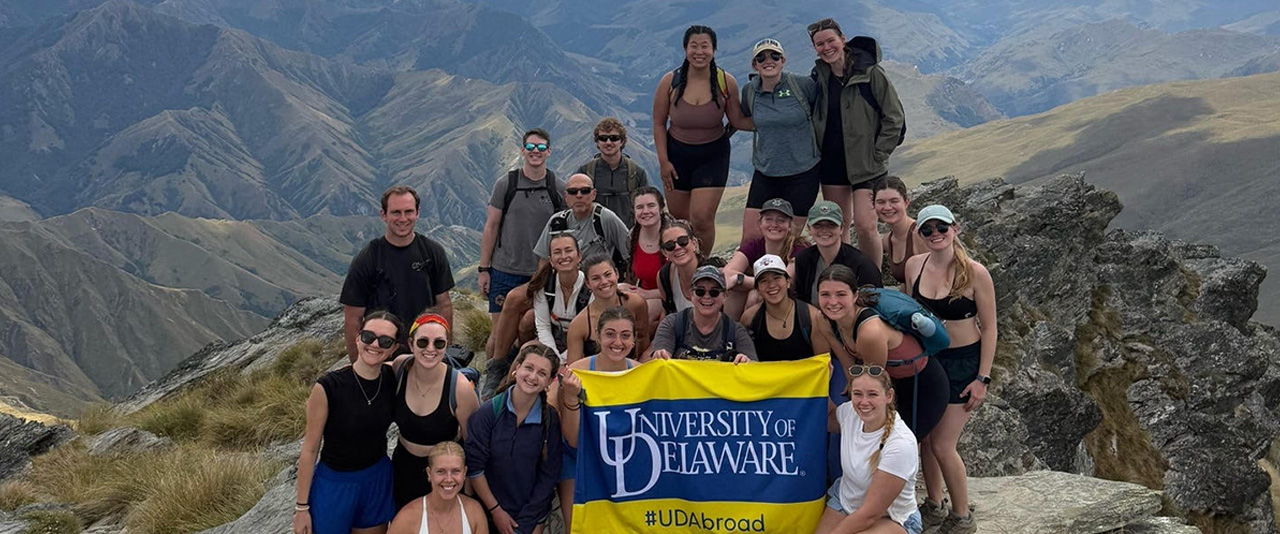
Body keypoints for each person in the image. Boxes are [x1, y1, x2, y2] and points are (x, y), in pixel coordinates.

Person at [903, 205, 996, 534]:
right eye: (927, 230)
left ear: (955, 228)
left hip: (963, 363)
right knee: (926, 439)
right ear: (920, 235)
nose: (935, 234)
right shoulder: (915, 266)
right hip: (928, 360)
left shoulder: (974, 272)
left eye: (941, 227)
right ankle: (935, 504)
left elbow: (991, 327)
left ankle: (962, 516)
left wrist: (982, 379)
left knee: (943, 444)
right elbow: (908, 311)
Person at [295, 311, 402, 534]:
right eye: (368, 336)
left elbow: (422, 363)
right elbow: (310, 449)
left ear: (393, 348)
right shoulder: (328, 387)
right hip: (335, 483)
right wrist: (301, 508)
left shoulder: (393, 377)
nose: (375, 344)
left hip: (377, 479)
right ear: (357, 338)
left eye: (385, 341)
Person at [808, 18, 904, 262]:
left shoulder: (871, 73)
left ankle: (872, 282)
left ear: (843, 39)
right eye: (820, 44)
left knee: (865, 225)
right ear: (815, 48)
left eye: (831, 40)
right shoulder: (819, 77)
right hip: (831, 162)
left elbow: (894, 117)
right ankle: (845, 279)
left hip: (867, 165)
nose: (826, 47)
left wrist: (879, 154)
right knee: (838, 227)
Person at [816, 265, 948, 441]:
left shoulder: (870, 332)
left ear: (855, 296)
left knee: (897, 447)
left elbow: (870, 384)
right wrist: (830, 336)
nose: (832, 302)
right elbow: (854, 373)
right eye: (825, 294)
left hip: (923, 386)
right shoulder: (830, 320)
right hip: (893, 383)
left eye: (841, 294)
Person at [478, 129, 565, 394]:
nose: (535, 152)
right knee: (498, 335)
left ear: (549, 151)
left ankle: (514, 379)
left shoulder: (556, 186)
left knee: (528, 325)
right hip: (504, 269)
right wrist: (484, 269)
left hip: (539, 274)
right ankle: (493, 379)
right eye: (530, 146)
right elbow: (491, 226)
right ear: (521, 149)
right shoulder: (507, 183)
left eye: (541, 147)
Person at [652, 25, 752, 256]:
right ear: (685, 49)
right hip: (676, 155)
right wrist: (663, 162)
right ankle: (680, 265)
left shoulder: (726, 82)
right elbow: (658, 123)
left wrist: (773, 121)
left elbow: (736, 120)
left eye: (705, 46)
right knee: (679, 222)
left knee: (702, 219)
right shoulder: (670, 82)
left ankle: (703, 265)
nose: (699, 51)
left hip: (713, 156)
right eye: (693, 46)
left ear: (714, 50)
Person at [342, 186, 454, 361]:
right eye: (396, 212)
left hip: (423, 351)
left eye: (409, 212)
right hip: (381, 352)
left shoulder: (433, 252)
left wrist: (443, 347)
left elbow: (444, 304)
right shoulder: (368, 258)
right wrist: (358, 368)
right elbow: (352, 318)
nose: (403, 219)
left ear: (418, 213)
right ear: (383, 215)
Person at [554, 306, 642, 530]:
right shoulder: (578, 373)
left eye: (625, 336)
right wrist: (572, 398)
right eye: (610, 334)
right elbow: (573, 440)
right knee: (579, 526)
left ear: (633, 340)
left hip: (625, 459)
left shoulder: (643, 374)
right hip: (581, 458)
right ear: (598, 336)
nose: (618, 342)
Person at [465, 344, 562, 534]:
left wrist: (525, 522)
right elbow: (475, 468)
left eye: (542, 373)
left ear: (550, 381)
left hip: (529, 516)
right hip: (487, 511)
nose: (533, 377)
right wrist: (496, 511)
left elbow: (549, 475)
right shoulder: (488, 413)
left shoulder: (550, 421)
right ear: (516, 368)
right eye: (528, 368)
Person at [814, 364, 923, 534]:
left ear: (889, 396)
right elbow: (828, 419)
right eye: (857, 394)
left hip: (890, 517)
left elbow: (870, 514)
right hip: (846, 500)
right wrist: (821, 384)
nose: (864, 402)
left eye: (872, 394)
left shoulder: (900, 444)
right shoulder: (851, 412)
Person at [389, 314, 480, 510]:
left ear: (447, 345)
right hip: (404, 468)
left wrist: (470, 494)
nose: (430, 349)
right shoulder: (400, 367)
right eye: (423, 342)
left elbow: (473, 443)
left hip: (444, 474)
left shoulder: (460, 388)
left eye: (439, 343)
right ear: (411, 344)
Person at [739, 38, 821, 244]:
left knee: (787, 239)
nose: (769, 60)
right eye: (761, 57)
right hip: (766, 173)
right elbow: (746, 117)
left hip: (803, 173)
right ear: (754, 64)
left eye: (774, 56)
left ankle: (783, 276)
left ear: (783, 60)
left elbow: (821, 112)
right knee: (751, 238)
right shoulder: (750, 91)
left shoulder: (802, 85)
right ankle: (752, 276)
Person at [648, 265, 756, 363]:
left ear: (725, 296)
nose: (707, 296)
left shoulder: (736, 332)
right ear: (691, 294)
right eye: (700, 291)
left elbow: (754, 369)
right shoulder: (672, 323)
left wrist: (746, 361)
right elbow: (659, 361)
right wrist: (660, 355)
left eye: (714, 292)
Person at [723, 198, 806, 320]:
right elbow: (727, 273)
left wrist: (742, 280)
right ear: (760, 224)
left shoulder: (799, 249)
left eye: (781, 220)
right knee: (736, 290)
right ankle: (729, 332)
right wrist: (751, 283)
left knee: (754, 296)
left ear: (789, 226)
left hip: (793, 299)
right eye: (768, 219)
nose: (774, 224)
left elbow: (784, 282)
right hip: (768, 292)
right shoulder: (754, 246)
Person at [739, 254, 830, 362]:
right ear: (758, 289)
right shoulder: (749, 318)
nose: (771, 285)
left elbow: (823, 364)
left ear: (787, 282)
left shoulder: (812, 318)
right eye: (764, 281)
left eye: (777, 278)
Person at [792, 200, 883, 306]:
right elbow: (801, 300)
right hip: (815, 320)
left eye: (831, 225)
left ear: (841, 229)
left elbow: (875, 305)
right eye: (818, 225)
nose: (824, 230)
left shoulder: (862, 265)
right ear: (809, 229)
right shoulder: (803, 259)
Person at [564, 255, 651, 364]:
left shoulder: (636, 303)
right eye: (596, 278)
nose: (604, 282)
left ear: (617, 274)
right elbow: (573, 367)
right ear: (588, 284)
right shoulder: (579, 324)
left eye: (607, 275)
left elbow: (643, 338)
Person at [387, 442, 488, 534]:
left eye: (456, 471)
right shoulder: (408, 517)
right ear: (429, 473)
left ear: (465, 473)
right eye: (441, 471)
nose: (449, 479)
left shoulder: (474, 511)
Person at [576, 118, 649, 227]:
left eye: (614, 138)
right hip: (594, 238)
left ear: (622, 141)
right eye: (603, 138)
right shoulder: (585, 172)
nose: (608, 142)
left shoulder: (637, 173)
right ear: (597, 142)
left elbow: (645, 208)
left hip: (628, 236)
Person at [528, 233, 586, 363]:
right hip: (552, 342)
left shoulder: (590, 285)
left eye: (569, 250)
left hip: (583, 346)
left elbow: (588, 330)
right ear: (551, 260)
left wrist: (564, 360)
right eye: (557, 252)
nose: (564, 256)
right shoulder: (544, 285)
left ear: (579, 256)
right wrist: (554, 360)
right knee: (526, 351)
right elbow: (543, 327)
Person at [619, 186, 671, 329]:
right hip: (642, 292)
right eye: (640, 207)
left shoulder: (673, 237)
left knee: (640, 315)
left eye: (651, 205)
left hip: (667, 297)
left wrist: (647, 294)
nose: (646, 211)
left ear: (661, 208)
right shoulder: (632, 237)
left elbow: (681, 286)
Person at [875, 176, 928, 286]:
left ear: (906, 202)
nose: (887, 207)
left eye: (894, 201)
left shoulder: (920, 234)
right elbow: (906, 281)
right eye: (881, 202)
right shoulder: (887, 241)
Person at [654, 219, 703, 315]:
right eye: (670, 245)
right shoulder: (664, 276)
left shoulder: (715, 270)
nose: (677, 247)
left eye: (682, 241)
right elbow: (667, 313)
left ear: (694, 244)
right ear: (665, 253)